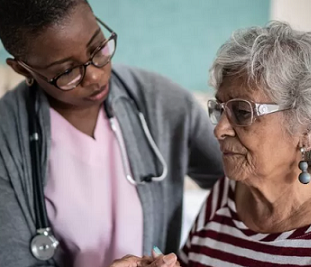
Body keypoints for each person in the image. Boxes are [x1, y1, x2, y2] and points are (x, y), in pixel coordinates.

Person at [117, 21, 311, 266]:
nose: (219, 130)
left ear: (309, 131)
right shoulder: (225, 195)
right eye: (220, 109)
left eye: (242, 111)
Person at [0, 1, 223, 267]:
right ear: (23, 69)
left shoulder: (164, 103)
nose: (94, 76)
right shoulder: (7, 140)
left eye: (97, 48)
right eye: (67, 71)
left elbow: (249, 184)